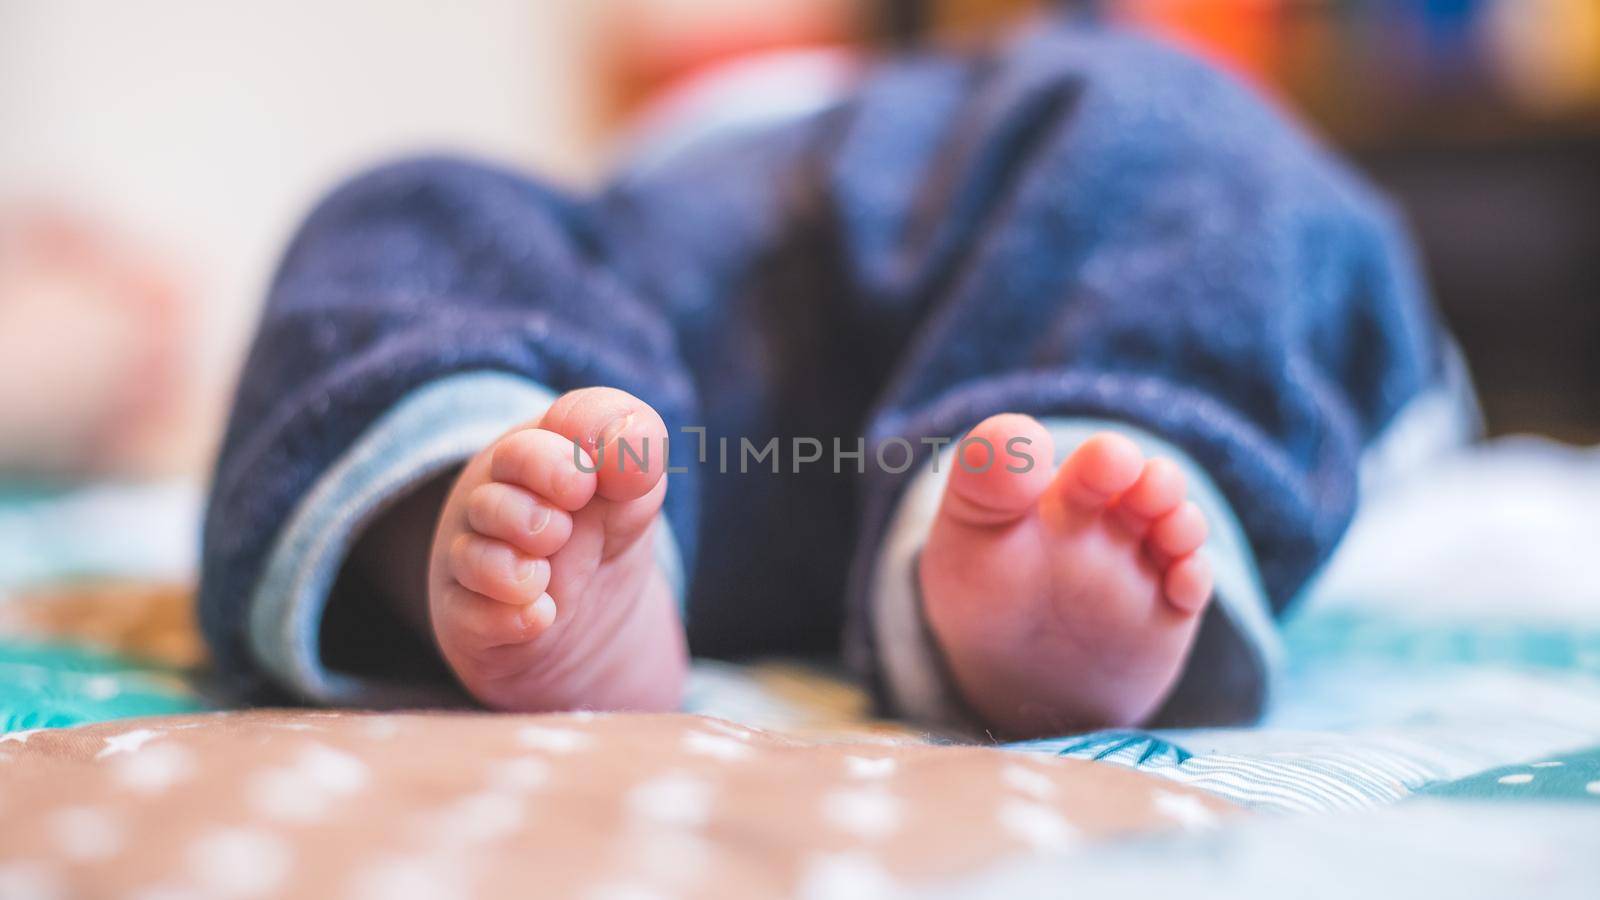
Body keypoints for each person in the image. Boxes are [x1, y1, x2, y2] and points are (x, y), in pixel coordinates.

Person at [199, 21, 1472, 738]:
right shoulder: (721, 120)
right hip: (660, 384)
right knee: (417, 206)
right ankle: (480, 495)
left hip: (1019, 303)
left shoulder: (1048, 86)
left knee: (1168, 124)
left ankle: (1072, 496)